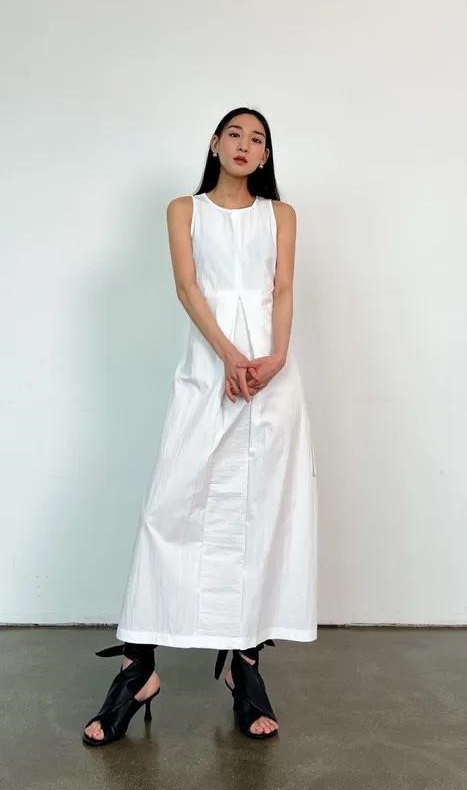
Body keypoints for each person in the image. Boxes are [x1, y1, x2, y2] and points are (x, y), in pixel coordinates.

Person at [82, 107, 318, 746]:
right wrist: (230, 356)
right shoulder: (184, 209)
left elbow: (283, 289)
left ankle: (245, 666)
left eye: (257, 139)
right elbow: (188, 288)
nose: (245, 145)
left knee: (259, 513)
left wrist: (275, 358)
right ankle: (139, 668)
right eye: (234, 134)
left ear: (265, 155)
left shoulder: (281, 215)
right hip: (209, 370)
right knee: (170, 507)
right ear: (215, 144)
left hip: (270, 377)